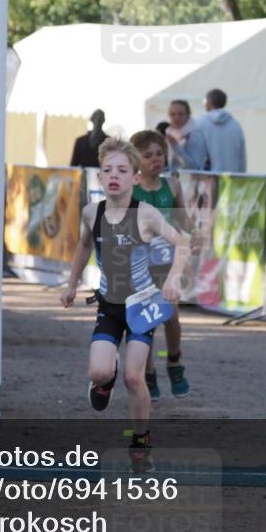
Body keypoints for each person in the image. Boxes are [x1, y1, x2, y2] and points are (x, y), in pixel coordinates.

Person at [60, 137, 189, 472]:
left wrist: (173, 279)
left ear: (135, 176)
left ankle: (140, 444)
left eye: (122, 169)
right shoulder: (93, 212)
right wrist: (71, 285)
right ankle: (103, 383)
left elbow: (182, 241)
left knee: (134, 378)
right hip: (109, 305)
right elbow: (83, 246)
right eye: (107, 170)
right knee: (100, 370)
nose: (113, 175)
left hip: (141, 308)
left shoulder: (146, 214)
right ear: (99, 177)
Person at [129, 130, 191, 400]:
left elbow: (184, 221)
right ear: (137, 160)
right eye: (148, 155)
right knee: (148, 320)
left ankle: (175, 362)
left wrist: (193, 230)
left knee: (172, 315)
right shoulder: (132, 189)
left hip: (168, 263)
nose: (155, 159)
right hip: (141, 264)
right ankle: (149, 372)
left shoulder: (173, 186)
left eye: (159, 153)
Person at [198, 88, 246, 173]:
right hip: (232, 179)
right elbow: (242, 156)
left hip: (208, 180)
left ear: (209, 102)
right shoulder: (235, 125)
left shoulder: (200, 122)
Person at [165, 99, 210, 172]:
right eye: (173, 114)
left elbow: (194, 168)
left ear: (188, 115)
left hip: (190, 181)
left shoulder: (194, 135)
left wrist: (176, 147)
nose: (176, 117)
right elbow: (171, 166)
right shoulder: (170, 133)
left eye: (180, 114)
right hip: (174, 181)